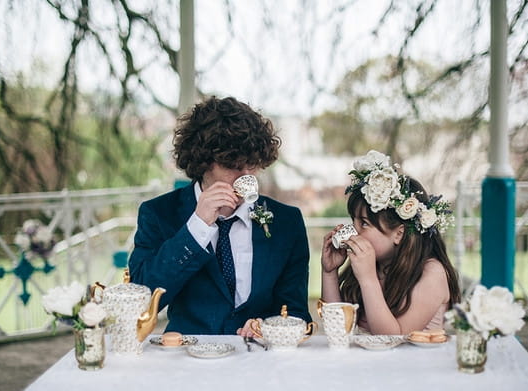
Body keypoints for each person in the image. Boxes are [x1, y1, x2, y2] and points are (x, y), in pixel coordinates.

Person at [128, 96, 311, 335]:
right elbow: (140, 300)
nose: (247, 176)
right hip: (188, 359)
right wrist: (197, 227)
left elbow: (295, 311)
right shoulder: (159, 214)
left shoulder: (287, 222)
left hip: (260, 359)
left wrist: (270, 330)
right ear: (203, 161)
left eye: (253, 165)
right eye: (234, 166)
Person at [321, 150, 460, 335]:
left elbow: (391, 338)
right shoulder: (374, 266)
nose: (353, 231)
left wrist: (368, 279)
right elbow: (336, 330)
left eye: (364, 223)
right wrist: (329, 272)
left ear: (399, 233)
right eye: (353, 221)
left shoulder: (432, 273)